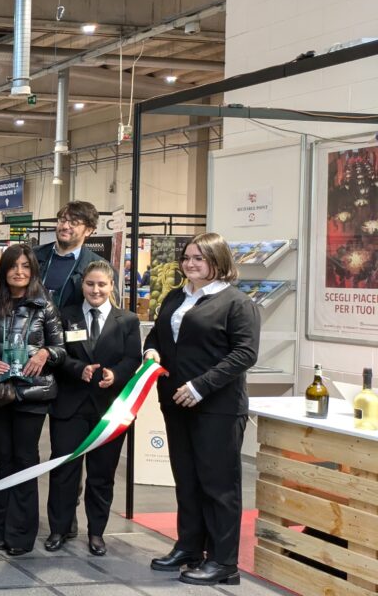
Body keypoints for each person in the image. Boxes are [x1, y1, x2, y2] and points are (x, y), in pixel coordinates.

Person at [143, 232, 258, 586]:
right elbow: (159, 335)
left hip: (217, 408)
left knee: (218, 486)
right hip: (176, 405)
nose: (190, 264)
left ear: (218, 261)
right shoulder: (177, 296)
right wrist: (150, 352)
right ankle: (190, 547)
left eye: (199, 258)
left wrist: (200, 386)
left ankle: (224, 563)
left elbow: (244, 354)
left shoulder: (237, 303)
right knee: (187, 481)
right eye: (187, 257)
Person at [48, 260, 141, 556]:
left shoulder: (127, 321)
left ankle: (97, 533)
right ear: (82, 285)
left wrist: (116, 374)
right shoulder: (66, 316)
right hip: (70, 407)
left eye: (102, 284)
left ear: (112, 286)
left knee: (102, 474)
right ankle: (59, 529)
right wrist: (79, 369)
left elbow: (132, 359)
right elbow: (58, 355)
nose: (96, 290)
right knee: (64, 471)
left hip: (108, 410)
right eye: (90, 284)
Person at [0, 243, 65, 556]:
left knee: (25, 460)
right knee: (4, 460)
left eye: (26, 266)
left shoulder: (45, 305)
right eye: (14, 266)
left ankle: (21, 535)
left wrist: (45, 352)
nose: (19, 272)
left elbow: (60, 348)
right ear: (4, 270)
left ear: (33, 271)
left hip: (33, 392)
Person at [34, 201, 104, 310]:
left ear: (89, 230)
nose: (65, 226)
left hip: (72, 326)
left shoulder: (98, 267)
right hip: (33, 325)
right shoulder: (32, 256)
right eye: (62, 220)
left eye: (74, 222)